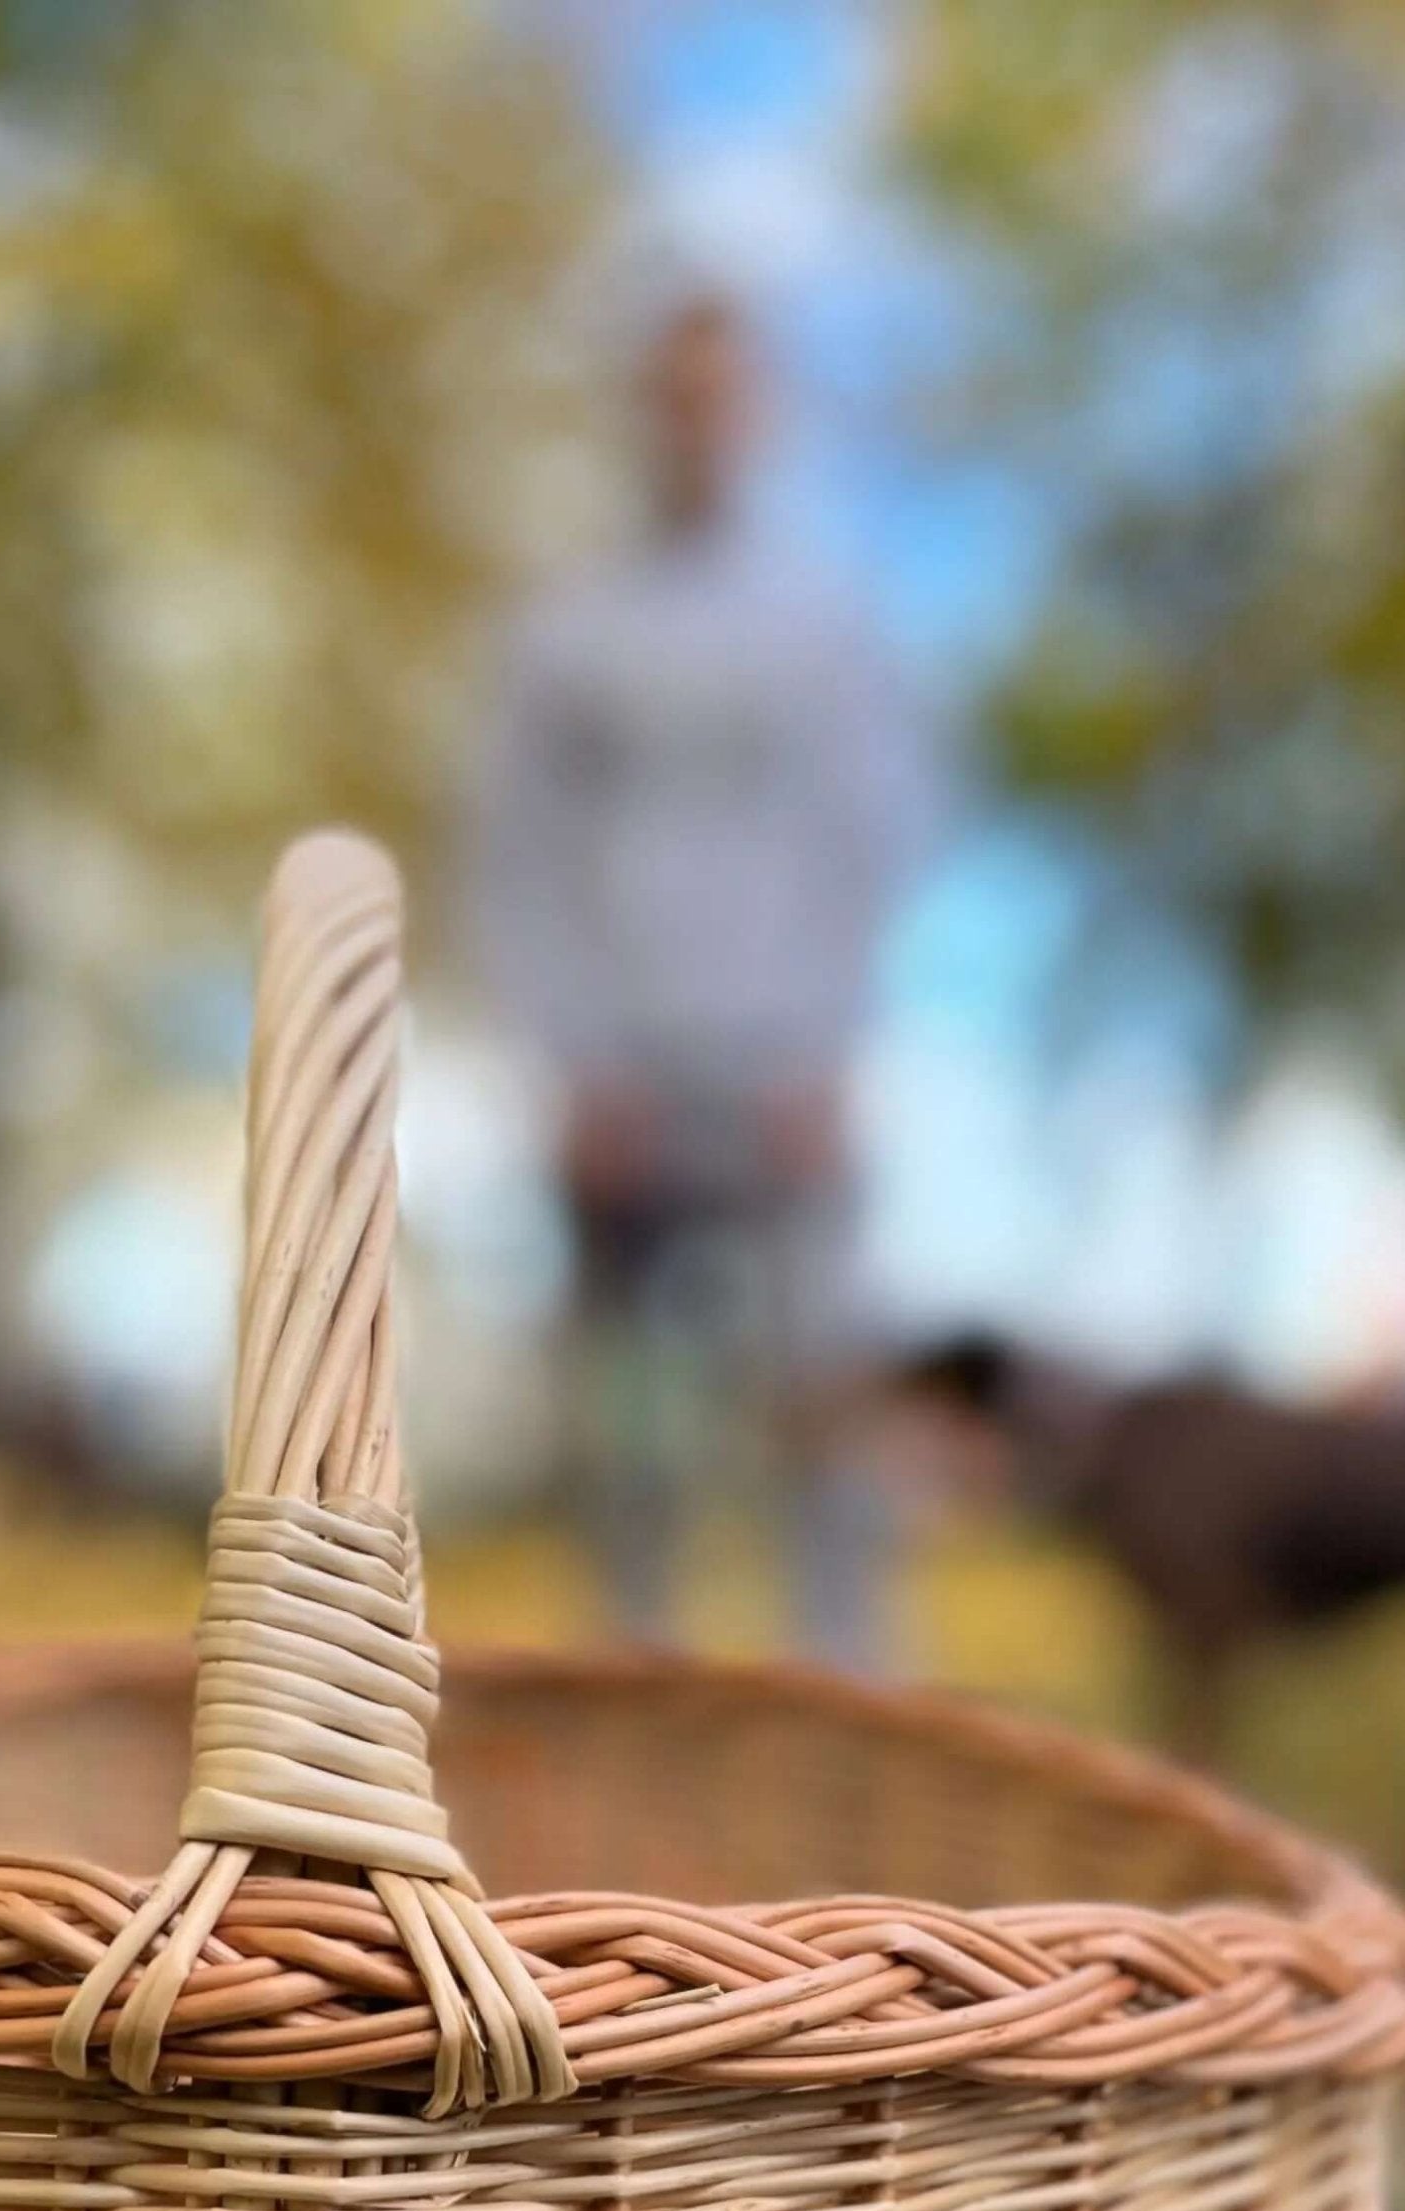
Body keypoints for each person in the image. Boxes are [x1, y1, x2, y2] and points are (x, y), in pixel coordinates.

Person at [469, 284, 930, 1671]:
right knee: (633, 1444)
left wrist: (837, 1039)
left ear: (764, 412)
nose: (700, 424)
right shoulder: (567, 634)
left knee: (829, 1421)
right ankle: (638, 1696)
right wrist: (574, 1057)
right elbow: (517, 858)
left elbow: (876, 834)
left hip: (786, 1071)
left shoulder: (828, 623)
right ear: (640, 413)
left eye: (725, 395)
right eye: (677, 396)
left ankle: (859, 1710)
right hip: (629, 1090)